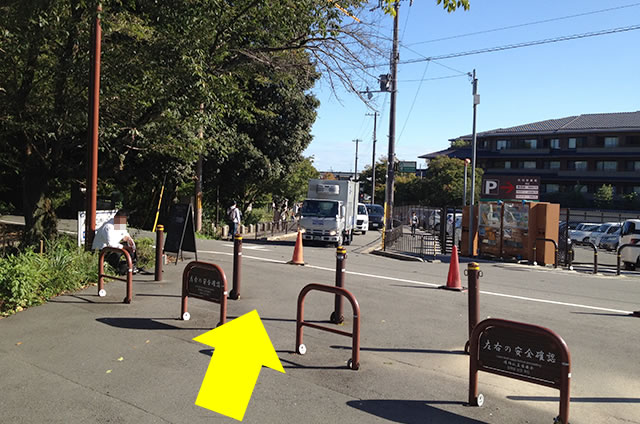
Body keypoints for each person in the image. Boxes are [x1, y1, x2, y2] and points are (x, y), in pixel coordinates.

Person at [92, 209, 138, 274]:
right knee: (119, 251)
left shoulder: (119, 223)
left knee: (130, 246)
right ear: (115, 218)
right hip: (102, 250)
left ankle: (132, 264)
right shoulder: (108, 227)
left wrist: (129, 239)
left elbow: (124, 234)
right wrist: (125, 247)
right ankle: (116, 268)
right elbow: (111, 244)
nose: (122, 223)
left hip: (111, 248)